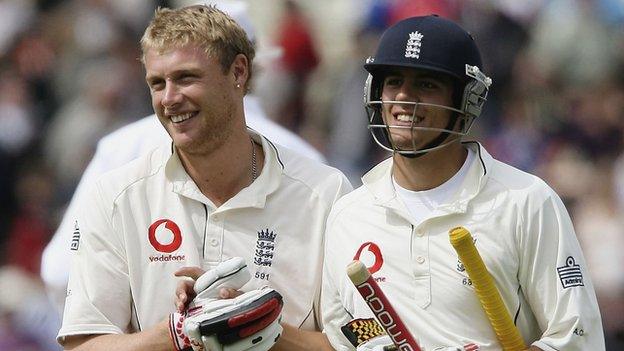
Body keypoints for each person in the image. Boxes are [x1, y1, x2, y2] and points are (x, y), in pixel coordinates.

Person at [57, 5, 351, 350]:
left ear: (238, 72)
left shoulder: (325, 193)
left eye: (186, 77)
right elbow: (84, 343)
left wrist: (265, 328)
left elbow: (358, 342)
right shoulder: (116, 195)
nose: (169, 98)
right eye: (157, 83)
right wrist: (179, 331)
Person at [321, 15, 605, 350]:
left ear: (466, 101)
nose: (404, 98)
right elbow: (342, 334)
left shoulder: (526, 201)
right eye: (394, 81)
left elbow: (578, 337)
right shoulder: (349, 215)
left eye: (427, 85)